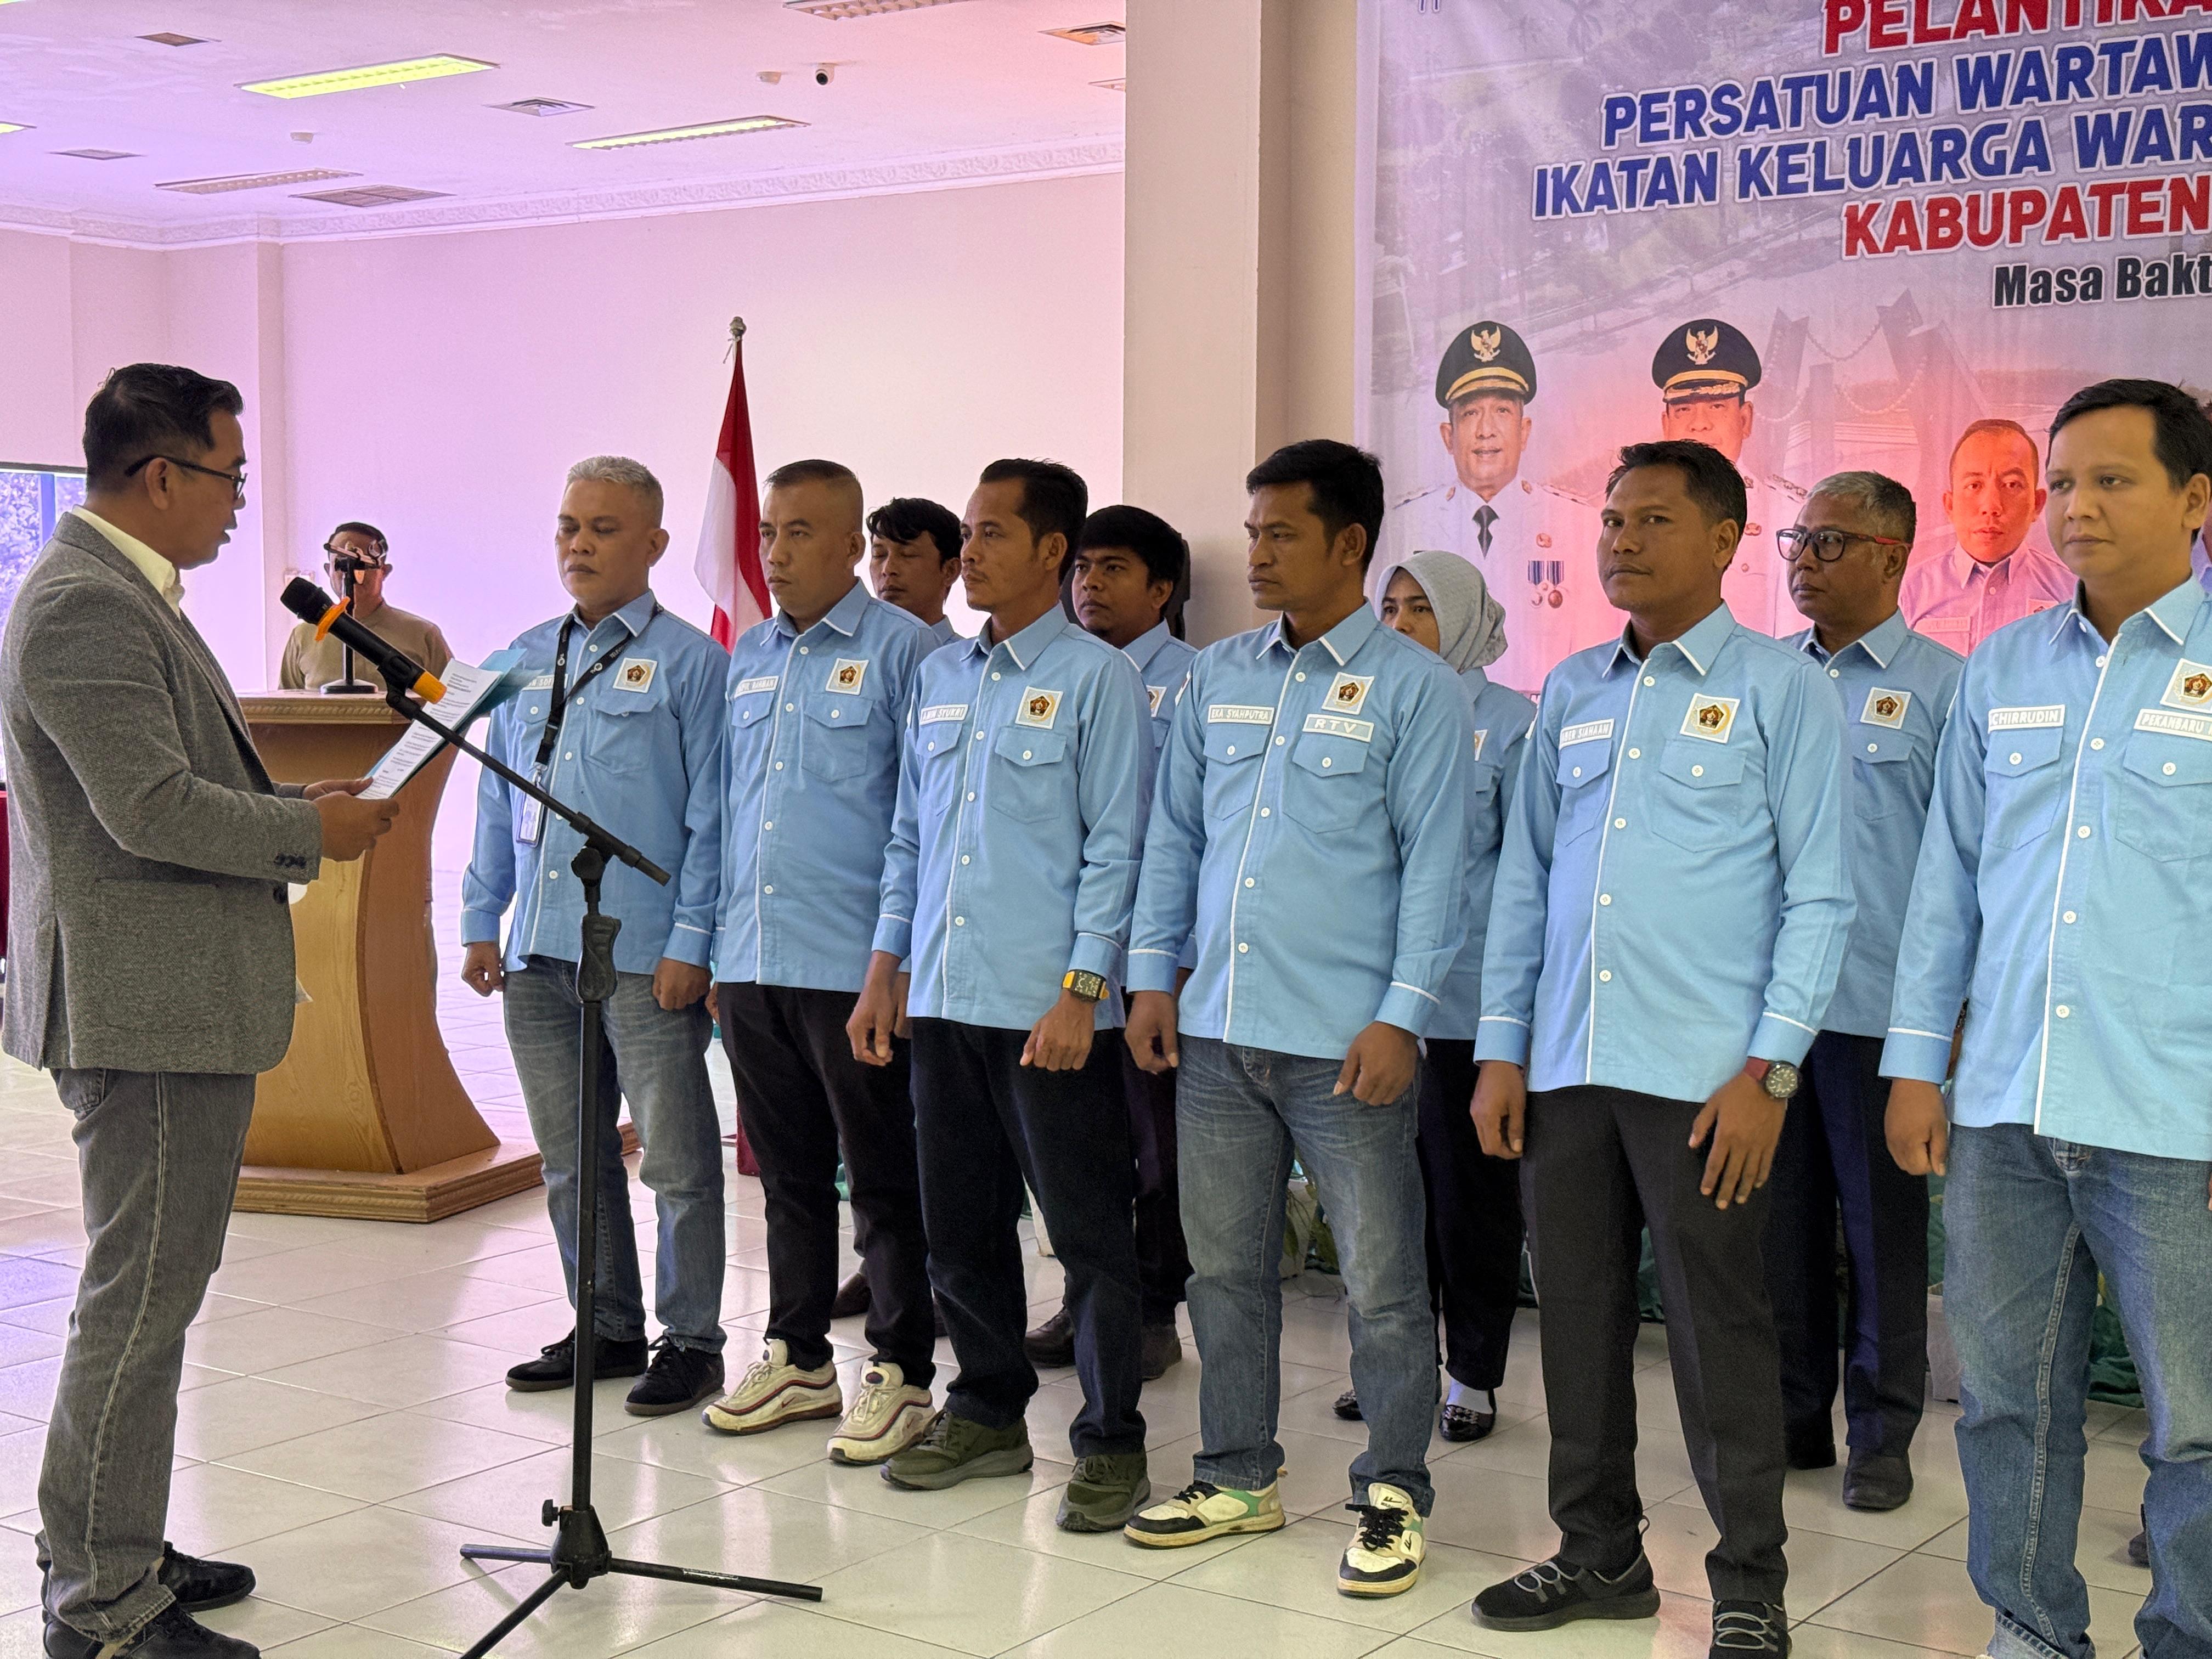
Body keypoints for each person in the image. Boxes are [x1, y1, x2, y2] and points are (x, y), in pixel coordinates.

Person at [4, 364, 398, 1659]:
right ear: (164, 474)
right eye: (229, 476)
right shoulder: (85, 604)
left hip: (162, 997)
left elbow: (156, 788)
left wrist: (291, 815)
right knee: (139, 1301)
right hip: (144, 1009)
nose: (239, 502)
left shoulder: (126, 592)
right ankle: (102, 1608)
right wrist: (312, 834)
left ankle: (117, 1544)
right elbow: (149, 809)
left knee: (152, 1295)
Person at [1469, 439, 1852, 1658]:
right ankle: (1598, 1551)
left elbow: (1822, 894)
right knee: (1575, 1320)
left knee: (1715, 1326)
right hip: (1569, 1066)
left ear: (1726, 539)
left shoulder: (1782, 689)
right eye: (1612, 520)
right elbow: (1525, 881)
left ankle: (1748, 1579)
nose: (1621, 540)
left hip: (1705, 1080)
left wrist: (1771, 1070)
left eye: (1651, 520)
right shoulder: (1572, 690)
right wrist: (1501, 1048)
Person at [1884, 377, 2212, 1659]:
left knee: (2196, 1423)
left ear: (2195, 499)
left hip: (2174, 1117)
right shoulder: (2006, 665)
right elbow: (1946, 884)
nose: (2076, 506)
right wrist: (1919, 1064)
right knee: (2006, 1405)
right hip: (2005, 1109)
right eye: (2064, 482)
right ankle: (2030, 1632)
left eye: (2111, 480)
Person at [1121, 441, 1472, 1600]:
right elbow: (1175, 838)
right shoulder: (1219, 675)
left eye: (1281, 533)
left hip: (1346, 1044)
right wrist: (1152, 977)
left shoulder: (1417, 689)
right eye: (1253, 531)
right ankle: (1236, 1473)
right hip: (1219, 1030)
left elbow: (1438, 868)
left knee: (1382, 1280)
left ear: (1349, 543)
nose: (1258, 553)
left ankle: (1393, 1491)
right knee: (1225, 1270)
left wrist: (1403, 1016)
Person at [849, 458, 1153, 1533]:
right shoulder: (940, 675)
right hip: (943, 997)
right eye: (968, 534)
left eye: (990, 534)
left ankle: (1111, 1439)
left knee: (1087, 1234)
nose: (968, 552)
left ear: (1051, 550)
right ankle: (985, 1408)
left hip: (1049, 1011)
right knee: (960, 1224)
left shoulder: (1097, 679)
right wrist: (886, 967)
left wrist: (1082, 989)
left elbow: (1119, 847)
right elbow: (908, 838)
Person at [461, 455, 730, 1420]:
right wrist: (480, 917)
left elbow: (714, 815)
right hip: (538, 950)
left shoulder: (695, 664)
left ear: (654, 544)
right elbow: (497, 800)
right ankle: (605, 1323)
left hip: (644, 950)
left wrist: (693, 939)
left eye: (603, 528)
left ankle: (691, 1339)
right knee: (572, 1159)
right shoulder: (522, 657)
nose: (578, 544)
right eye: (568, 525)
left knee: (676, 1160)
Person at [701, 459, 938, 1465]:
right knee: (787, 1174)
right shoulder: (749, 654)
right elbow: (722, 811)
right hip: (753, 958)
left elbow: (920, 819)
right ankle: (798, 1355)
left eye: (800, 533)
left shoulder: (908, 652)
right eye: (767, 532)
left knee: (881, 1175)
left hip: (853, 965)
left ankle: (903, 1368)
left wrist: (894, 958)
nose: (776, 551)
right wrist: (713, 946)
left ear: (851, 546)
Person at [1770, 473, 1963, 1513]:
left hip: (1883, 1016)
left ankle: (1883, 1436)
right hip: (1770, 1014)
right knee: (1778, 1226)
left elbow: (1964, 865)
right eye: (1798, 538)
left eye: (1830, 541)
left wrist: (1948, 1018)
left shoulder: (1945, 688)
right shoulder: (1761, 677)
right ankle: (1792, 1415)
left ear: (1892, 556)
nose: (1804, 558)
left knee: (1883, 1237)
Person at [1328, 550, 1533, 1445]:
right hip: (1367, 1002)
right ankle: (1391, 1363)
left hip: (1463, 1004)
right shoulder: (1362, 707)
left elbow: (1526, 874)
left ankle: (1472, 1371)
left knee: (1467, 1200)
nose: (1402, 623)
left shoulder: (1512, 722)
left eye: (1422, 607)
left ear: (1465, 619)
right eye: (1391, 606)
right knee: (1379, 1202)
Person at [1025, 505, 1198, 1382]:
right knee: (1078, 1153)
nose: (1090, 584)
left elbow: (1194, 829)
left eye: (1114, 569)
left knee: (1158, 1150)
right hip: (1070, 968)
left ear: (1162, 590)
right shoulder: (1053, 676)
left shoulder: (1199, 683)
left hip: (1154, 962)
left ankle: (1154, 1310)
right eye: (1083, 568)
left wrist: (1175, 958)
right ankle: (1087, 1301)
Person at [1374, 320, 1607, 696]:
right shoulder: (1405, 524)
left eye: (1501, 411)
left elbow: (1597, 653)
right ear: (1448, 436)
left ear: (1524, 430)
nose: (1486, 430)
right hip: (1429, 710)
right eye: (1470, 414)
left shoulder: (1576, 524)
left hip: (1547, 720)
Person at [1650, 318, 1807, 636]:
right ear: (1666, 425)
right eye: (1684, 410)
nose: (1699, 424)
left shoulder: (1790, 514)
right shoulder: (1631, 518)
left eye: (1717, 407)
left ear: (1745, 419)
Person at [1898, 419, 2074, 654]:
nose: (1991, 506)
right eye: (1974, 485)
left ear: (2037, 504)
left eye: (2011, 485)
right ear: (1950, 505)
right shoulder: (1908, 593)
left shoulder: (2070, 594)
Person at [277, 521, 454, 691]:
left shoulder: (423, 635)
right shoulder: (303, 636)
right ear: (328, 570)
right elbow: (284, 705)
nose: (350, 571)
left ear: (383, 571)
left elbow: (453, 703)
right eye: (340, 563)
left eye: (362, 564)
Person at [866, 495, 964, 647]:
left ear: (950, 571)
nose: (888, 569)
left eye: (908, 554)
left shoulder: (967, 661)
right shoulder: (851, 652)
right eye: (879, 555)